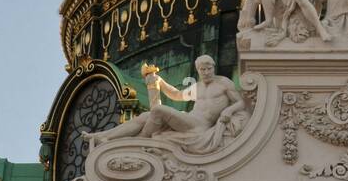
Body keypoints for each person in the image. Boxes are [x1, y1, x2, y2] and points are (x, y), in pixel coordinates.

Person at [86, 55, 243, 141]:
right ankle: (103, 136)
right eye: (203, 70)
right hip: (188, 119)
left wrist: (229, 110)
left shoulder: (224, 83)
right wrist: (160, 82)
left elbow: (242, 102)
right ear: (198, 70)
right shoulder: (198, 86)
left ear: (213, 68)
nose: (206, 72)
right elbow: (176, 95)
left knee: (158, 110)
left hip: (200, 126)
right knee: (145, 116)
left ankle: (141, 141)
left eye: (209, 69)